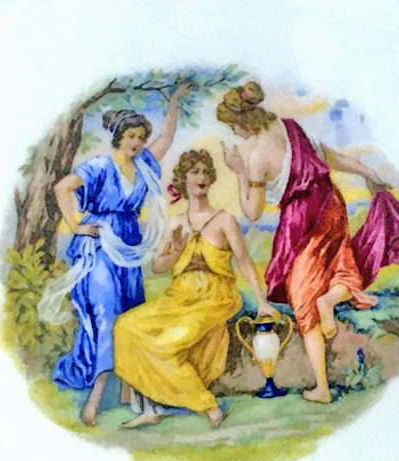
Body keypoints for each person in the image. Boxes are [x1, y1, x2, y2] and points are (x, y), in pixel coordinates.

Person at [218, 81, 399, 404]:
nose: (234, 133)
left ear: (242, 122)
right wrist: (369, 174)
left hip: (301, 221)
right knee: (342, 266)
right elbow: (334, 158)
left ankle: (322, 388)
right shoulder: (292, 128)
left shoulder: (257, 157)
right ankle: (330, 301)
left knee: (303, 301)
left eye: (232, 127)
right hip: (331, 204)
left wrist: (238, 171)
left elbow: (252, 212)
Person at [40, 83, 190, 424]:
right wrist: (76, 225)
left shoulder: (144, 165)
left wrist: (174, 102)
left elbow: (167, 137)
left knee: (128, 316)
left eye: (140, 137)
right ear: (119, 137)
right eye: (130, 136)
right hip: (98, 248)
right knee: (106, 314)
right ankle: (93, 402)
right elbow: (62, 187)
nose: (136, 142)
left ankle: (128, 391)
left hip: (127, 249)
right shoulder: (99, 166)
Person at [113, 149, 279, 429]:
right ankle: (151, 408)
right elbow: (158, 266)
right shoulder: (176, 223)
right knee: (127, 326)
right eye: (194, 172)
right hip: (179, 296)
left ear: (211, 179)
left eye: (205, 172)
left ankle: (208, 406)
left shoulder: (224, 220)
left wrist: (262, 301)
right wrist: (177, 251)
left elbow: (244, 261)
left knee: (167, 343)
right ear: (184, 179)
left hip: (215, 297)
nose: (201, 177)